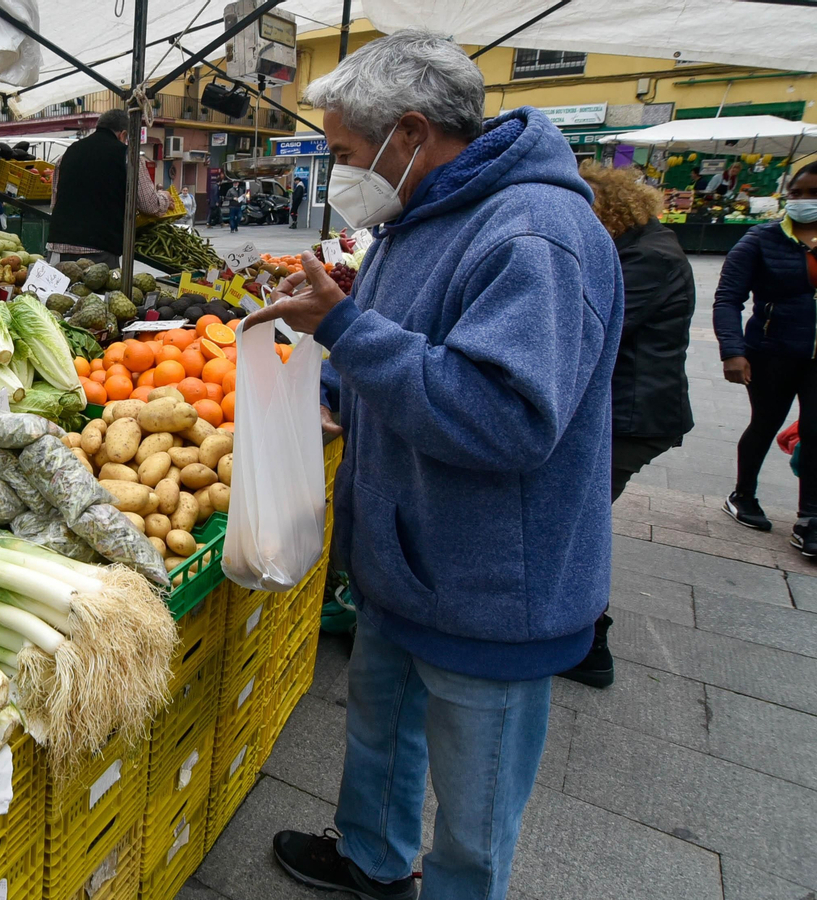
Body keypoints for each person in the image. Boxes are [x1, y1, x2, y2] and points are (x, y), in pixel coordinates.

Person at [248, 32, 622, 900]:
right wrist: (332, 386)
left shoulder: (535, 235)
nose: (337, 172)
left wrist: (345, 330)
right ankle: (370, 859)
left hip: (490, 587)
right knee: (380, 729)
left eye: (342, 152)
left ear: (408, 133)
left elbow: (506, 418)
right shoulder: (419, 216)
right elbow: (402, 341)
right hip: (407, 558)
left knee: (474, 809)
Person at [559, 161, 696, 689]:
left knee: (574, 520)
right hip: (622, 406)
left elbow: (585, 328)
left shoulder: (648, 258)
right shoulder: (638, 248)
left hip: (631, 414)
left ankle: (590, 643)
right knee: (575, 517)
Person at [714, 161, 817, 556]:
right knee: (765, 422)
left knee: (815, 429)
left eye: (813, 194)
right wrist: (733, 351)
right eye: (797, 193)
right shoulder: (762, 239)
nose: (804, 201)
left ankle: (809, 515)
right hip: (772, 351)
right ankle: (744, 494)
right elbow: (728, 298)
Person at [47, 108, 171, 265]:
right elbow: (149, 205)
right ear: (123, 134)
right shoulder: (128, 156)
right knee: (97, 289)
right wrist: (164, 198)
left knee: (59, 290)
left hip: (59, 246)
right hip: (99, 251)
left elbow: (54, 202)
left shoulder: (68, 153)